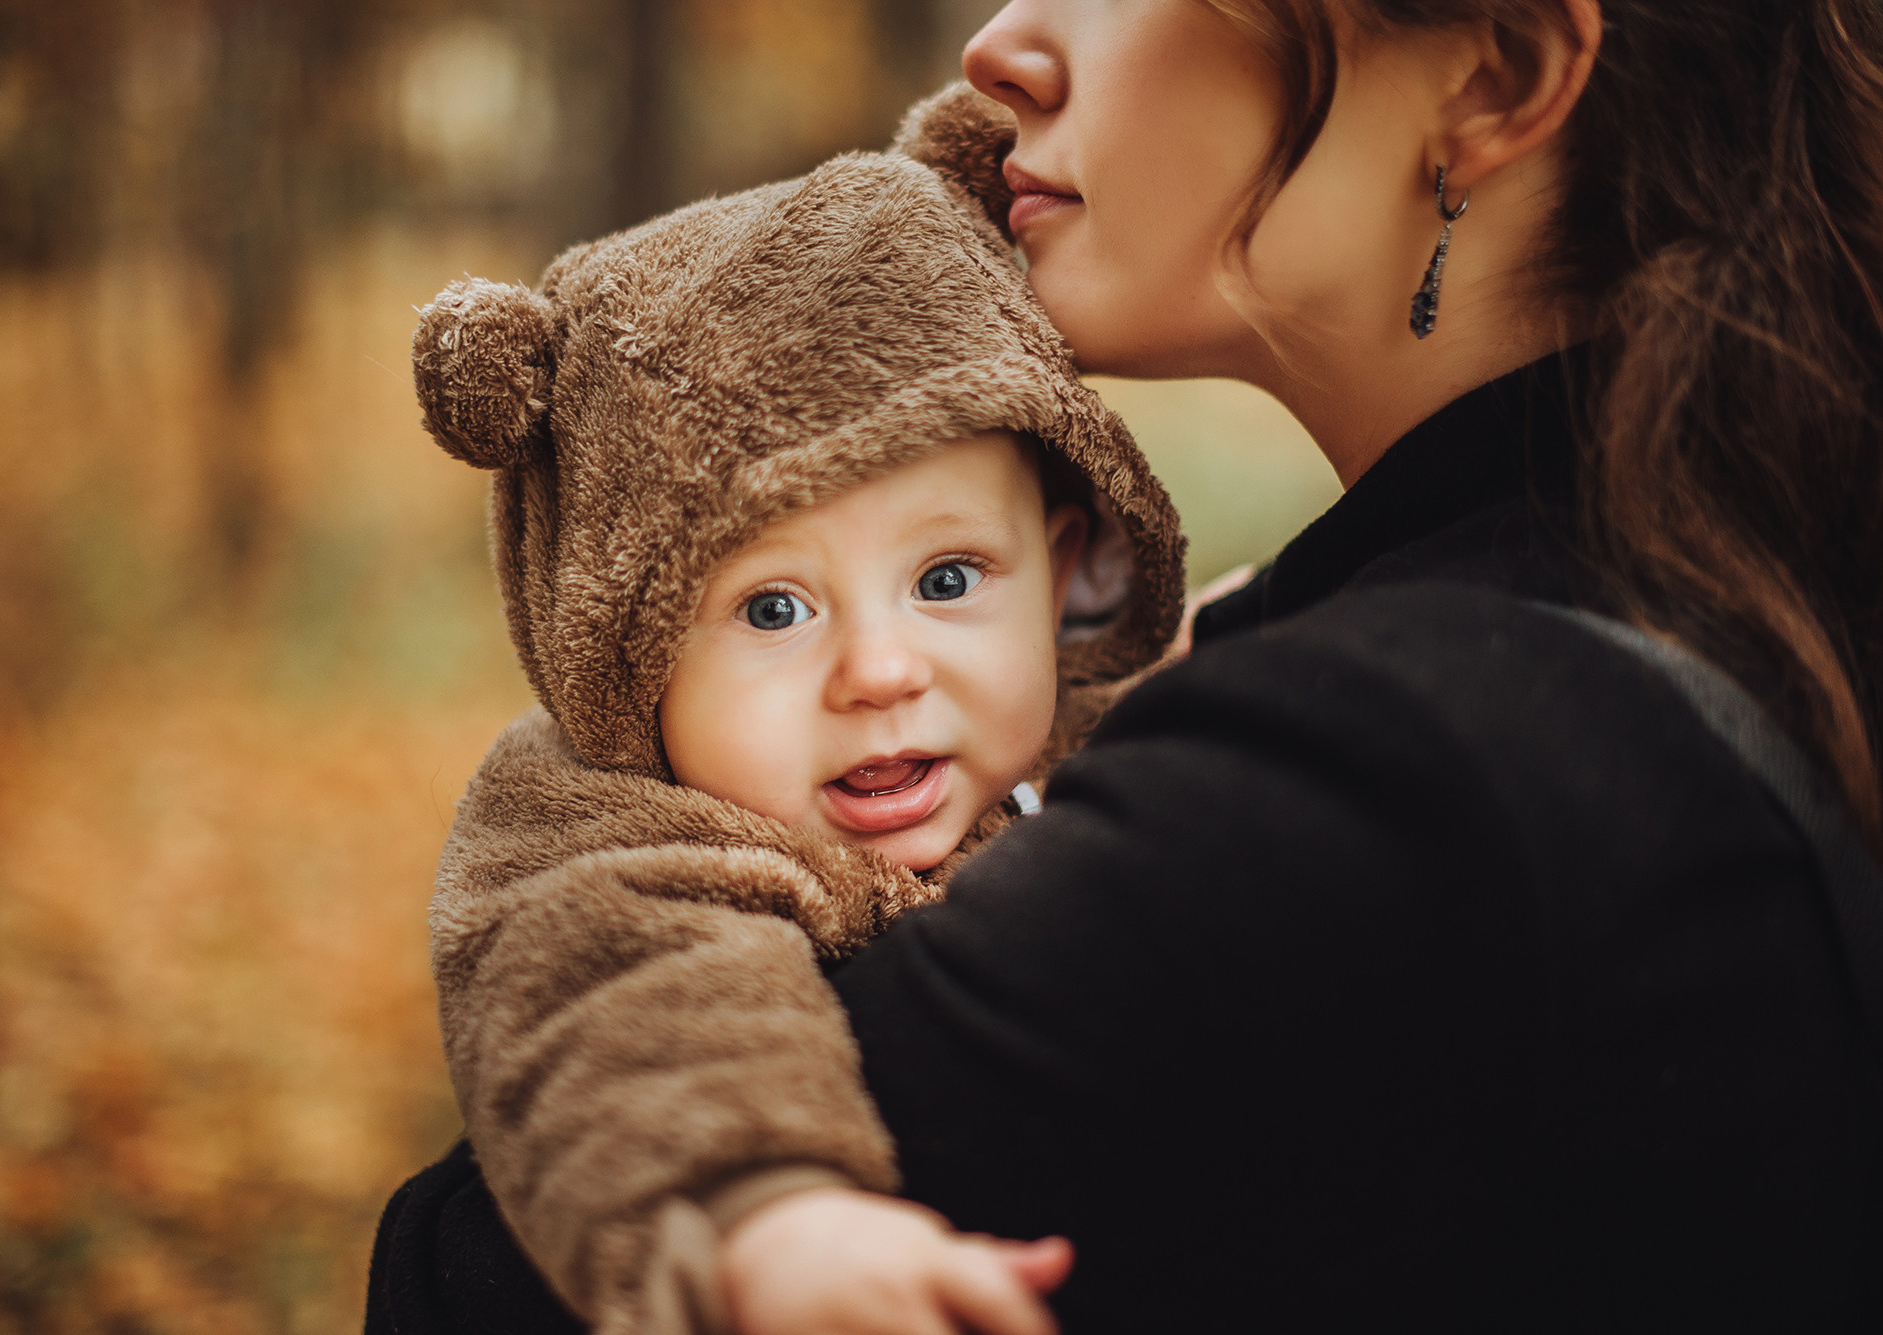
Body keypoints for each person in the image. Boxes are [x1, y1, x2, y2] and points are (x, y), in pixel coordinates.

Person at [373, 0, 1883, 1330]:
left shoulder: (1402, 774)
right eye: (772, 607)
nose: (1001, 46)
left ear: (1490, 78)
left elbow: (462, 1285)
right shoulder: (1727, 570)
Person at [376, 102, 1185, 1335]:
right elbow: (619, 1007)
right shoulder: (612, 835)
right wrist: (767, 1214)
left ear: (1066, 568)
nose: (877, 670)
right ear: (626, 653)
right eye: (770, 609)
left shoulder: (1121, 737)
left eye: (948, 581)